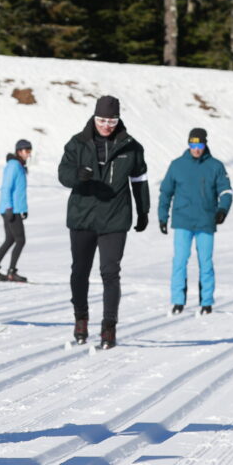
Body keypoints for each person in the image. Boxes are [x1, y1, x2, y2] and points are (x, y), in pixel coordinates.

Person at [57, 95, 149, 349]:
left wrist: (143, 211)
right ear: (94, 118)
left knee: (110, 272)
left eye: (111, 120)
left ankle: (109, 327)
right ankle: (81, 319)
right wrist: (77, 175)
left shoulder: (131, 147)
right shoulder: (77, 144)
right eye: (102, 120)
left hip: (115, 218)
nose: (106, 125)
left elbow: (139, 181)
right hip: (82, 217)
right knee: (80, 271)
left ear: (118, 120)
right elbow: (62, 174)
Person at [157, 128, 233, 315]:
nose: (196, 149)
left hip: (206, 220)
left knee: (205, 262)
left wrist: (222, 209)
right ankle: (178, 301)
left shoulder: (216, 166)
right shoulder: (177, 165)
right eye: (193, 145)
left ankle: (206, 302)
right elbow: (166, 192)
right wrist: (162, 216)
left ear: (205, 144)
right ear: (188, 144)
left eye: (199, 145)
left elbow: (226, 191)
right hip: (183, 220)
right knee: (180, 261)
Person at [0, 139, 33, 282]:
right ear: (19, 151)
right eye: (26, 151)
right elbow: (6, 187)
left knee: (10, 239)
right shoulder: (13, 165)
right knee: (20, 240)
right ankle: (11, 272)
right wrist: (9, 207)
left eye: (30, 151)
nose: (29, 154)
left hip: (14, 208)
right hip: (10, 209)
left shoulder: (19, 165)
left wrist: (23, 209)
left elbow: (19, 190)